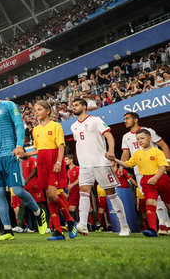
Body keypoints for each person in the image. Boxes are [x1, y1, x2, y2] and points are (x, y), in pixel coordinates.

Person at [0, 81, 48, 241]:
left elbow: (19, 125)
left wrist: (19, 146)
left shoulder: (9, 105)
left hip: (10, 153)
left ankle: (38, 212)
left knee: (16, 191)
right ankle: (8, 230)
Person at [70, 98, 130, 236]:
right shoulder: (73, 126)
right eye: (73, 105)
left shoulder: (95, 120)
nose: (74, 107)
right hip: (85, 165)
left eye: (77, 105)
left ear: (84, 107)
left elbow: (109, 135)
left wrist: (111, 151)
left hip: (100, 162)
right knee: (84, 192)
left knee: (111, 193)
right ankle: (83, 224)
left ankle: (124, 226)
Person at [18, 101, 77, 240]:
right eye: (35, 110)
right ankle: (58, 231)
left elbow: (61, 146)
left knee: (52, 194)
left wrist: (58, 161)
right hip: (42, 161)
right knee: (49, 197)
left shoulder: (56, 126)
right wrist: (25, 154)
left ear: (48, 111)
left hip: (54, 159)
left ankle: (69, 221)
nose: (36, 112)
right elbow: (37, 149)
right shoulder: (35, 130)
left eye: (39, 109)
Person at [113, 129, 170, 237]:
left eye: (142, 138)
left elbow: (163, 166)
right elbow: (128, 164)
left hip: (161, 178)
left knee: (168, 203)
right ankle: (153, 230)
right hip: (147, 181)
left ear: (150, 138)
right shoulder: (137, 153)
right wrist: (115, 159)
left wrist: (156, 177)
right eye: (138, 139)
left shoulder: (157, 151)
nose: (140, 141)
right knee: (150, 204)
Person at [65, 155, 80, 222]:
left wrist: (71, 185)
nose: (65, 162)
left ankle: (98, 224)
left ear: (71, 160)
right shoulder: (68, 171)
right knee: (71, 208)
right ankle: (72, 224)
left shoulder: (77, 168)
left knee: (88, 208)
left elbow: (79, 179)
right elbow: (70, 181)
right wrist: (68, 192)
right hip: (73, 192)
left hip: (79, 190)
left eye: (66, 160)